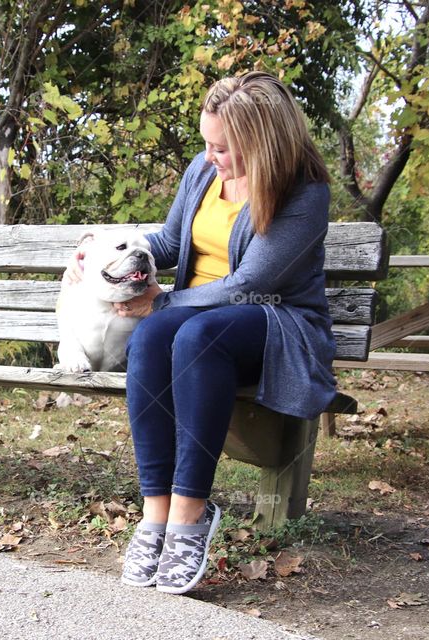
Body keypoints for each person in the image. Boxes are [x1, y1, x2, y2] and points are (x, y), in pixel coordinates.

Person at [64, 71, 337, 594]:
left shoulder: (304, 191)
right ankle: (155, 512)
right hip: (195, 312)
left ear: (264, 145)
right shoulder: (203, 169)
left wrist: (163, 301)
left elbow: (253, 283)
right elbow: (169, 242)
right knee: (152, 336)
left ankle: (190, 514)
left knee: (190, 334)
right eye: (207, 144)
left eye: (223, 148)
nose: (211, 157)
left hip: (274, 320)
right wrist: (100, 248)